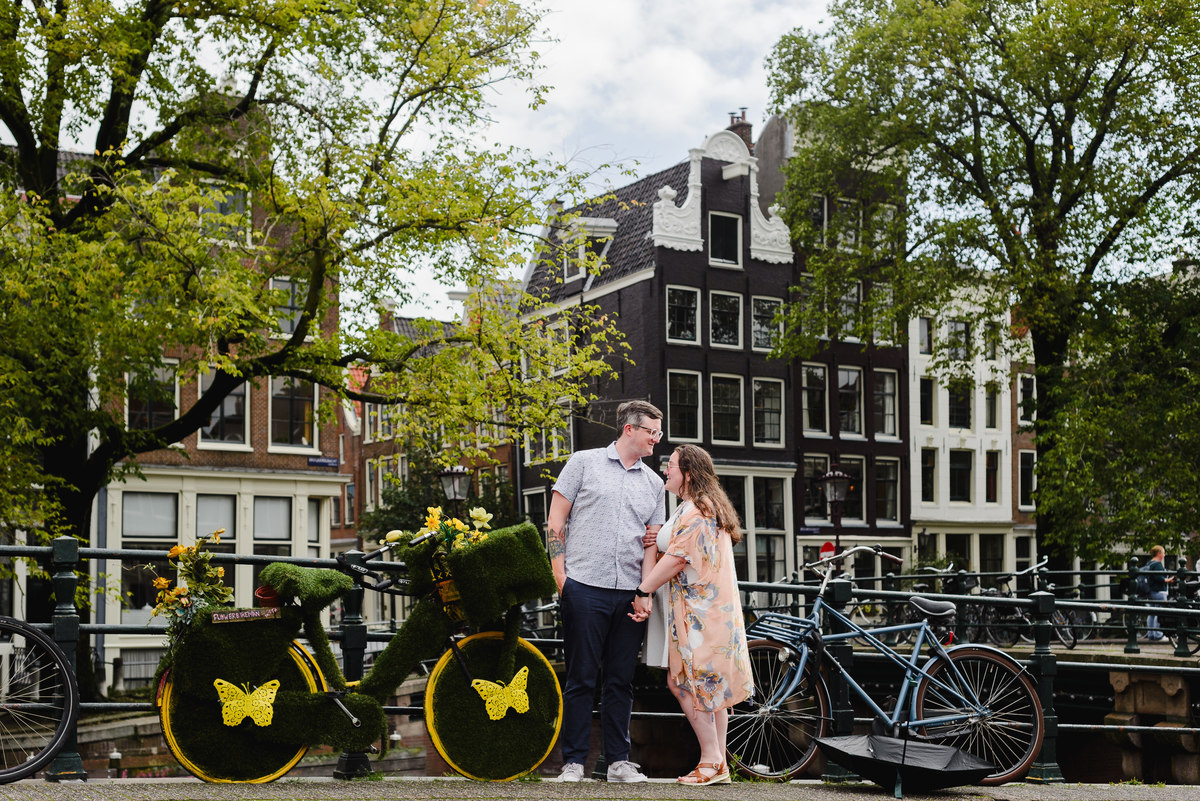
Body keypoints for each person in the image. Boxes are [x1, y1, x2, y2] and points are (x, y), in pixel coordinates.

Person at [546, 400, 666, 783]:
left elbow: (652, 543)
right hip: (583, 587)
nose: (656, 439)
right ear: (629, 429)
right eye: (652, 431)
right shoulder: (583, 462)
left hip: (629, 592)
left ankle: (618, 762)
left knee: (620, 680)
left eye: (658, 432)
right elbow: (555, 521)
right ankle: (574, 763)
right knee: (580, 677)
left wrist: (644, 593)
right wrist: (561, 578)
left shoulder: (654, 483)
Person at [630, 444, 754, 786]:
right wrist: (659, 539)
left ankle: (711, 759)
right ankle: (719, 765)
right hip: (709, 611)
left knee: (684, 681)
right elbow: (679, 547)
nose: (664, 469)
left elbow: (679, 559)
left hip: (699, 613)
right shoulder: (697, 507)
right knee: (710, 687)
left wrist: (643, 590)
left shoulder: (698, 509)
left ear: (688, 472)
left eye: (670, 465)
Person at [1143, 545, 1168, 641]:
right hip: (1159, 591)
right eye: (1163, 552)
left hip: (1151, 592)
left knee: (1152, 613)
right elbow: (1158, 577)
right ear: (1159, 553)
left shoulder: (1149, 563)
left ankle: (1151, 634)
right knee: (1159, 613)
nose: (1164, 555)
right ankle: (1158, 635)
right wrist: (1167, 580)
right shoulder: (1157, 564)